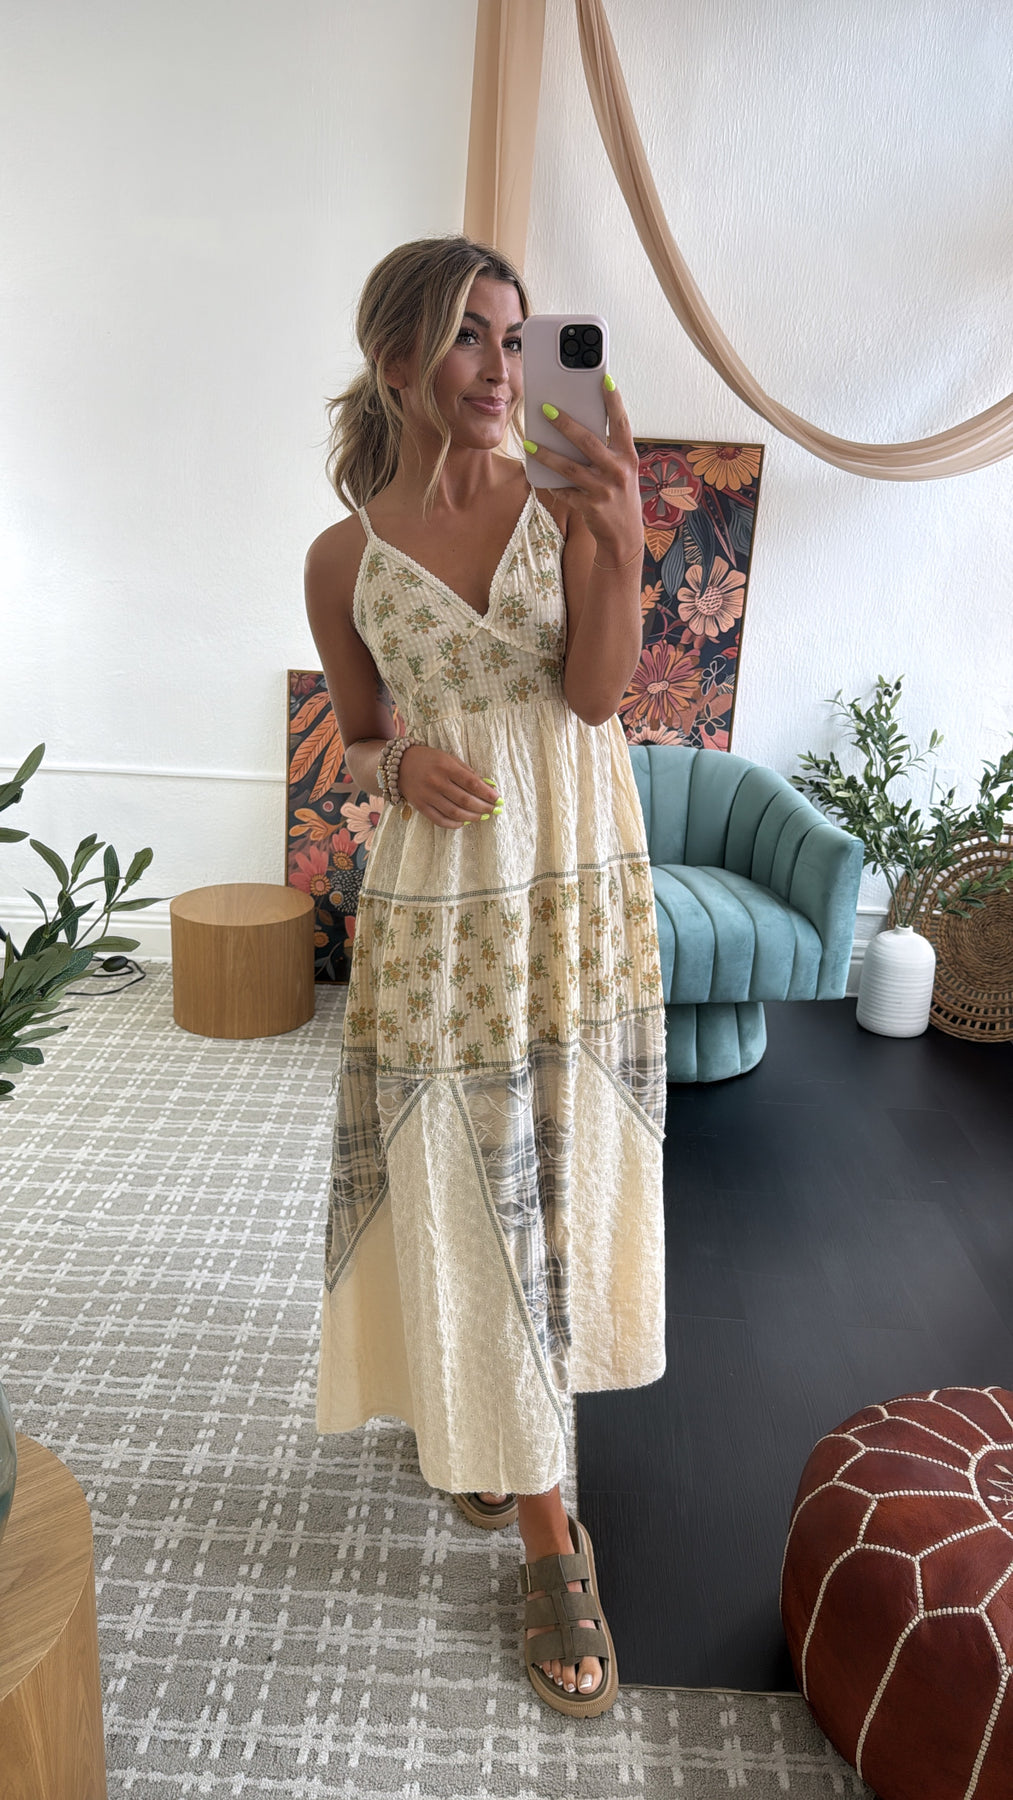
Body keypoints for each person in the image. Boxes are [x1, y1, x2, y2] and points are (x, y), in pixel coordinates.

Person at [304, 235, 666, 1719]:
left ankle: (532, 1502)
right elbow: (356, 734)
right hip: (437, 899)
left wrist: (619, 539)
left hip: (570, 876)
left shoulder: (558, 498)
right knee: (460, 1179)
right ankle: (527, 1499)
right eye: (471, 337)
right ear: (396, 356)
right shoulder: (343, 560)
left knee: (553, 1178)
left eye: (518, 342)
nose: (504, 371)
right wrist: (401, 765)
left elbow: (595, 695)